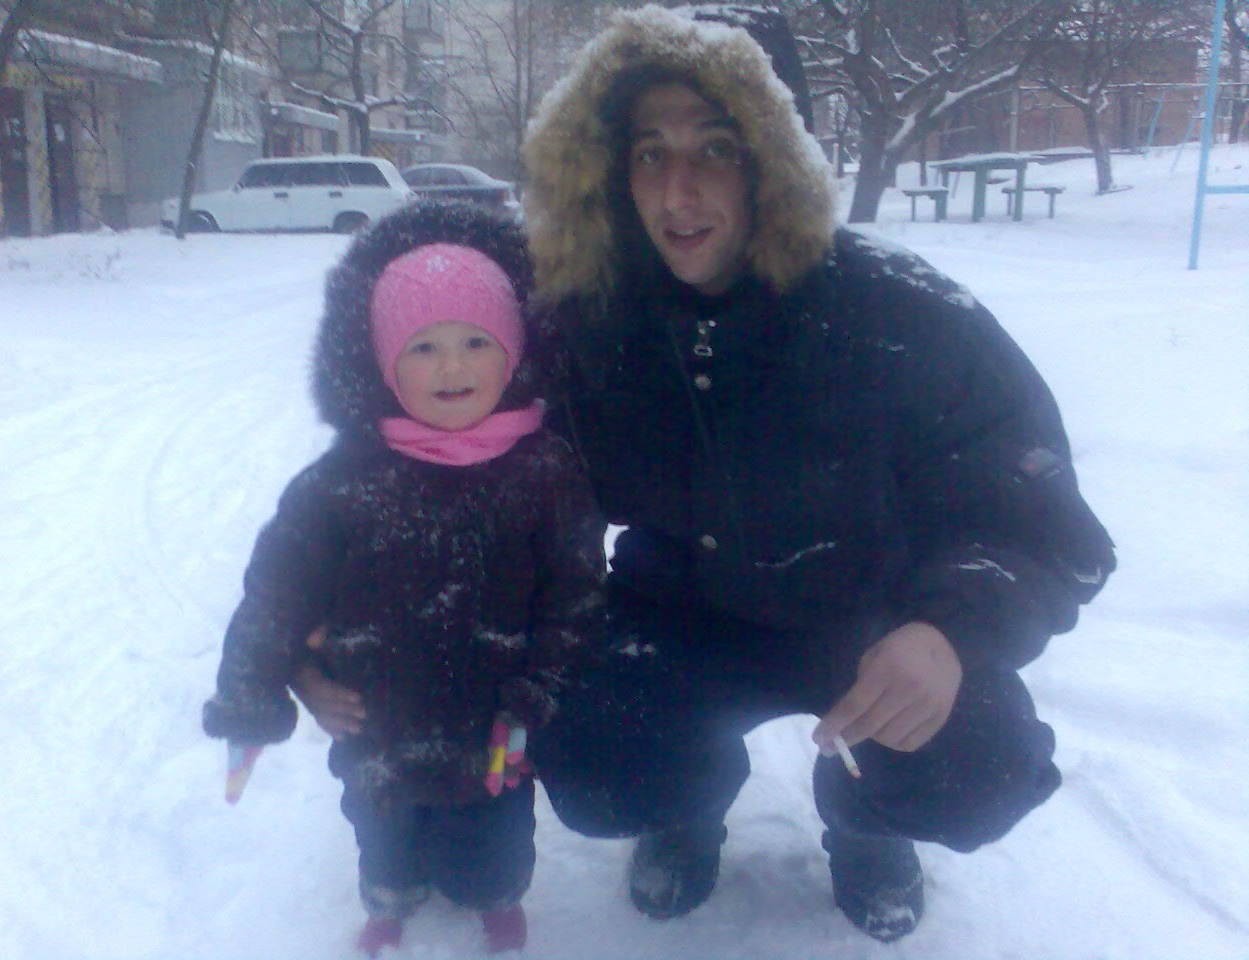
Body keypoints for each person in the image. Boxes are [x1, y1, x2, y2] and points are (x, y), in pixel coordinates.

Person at [296, 3, 1116, 945]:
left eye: (717, 148)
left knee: (979, 768)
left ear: (778, 158)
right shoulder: (588, 325)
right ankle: (684, 808)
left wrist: (947, 630)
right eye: (650, 153)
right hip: (677, 614)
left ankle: (868, 822)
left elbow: (1039, 522)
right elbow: (456, 464)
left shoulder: (901, 316)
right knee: (595, 757)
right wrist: (331, 610)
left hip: (871, 620)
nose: (677, 192)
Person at [201, 200, 606, 957]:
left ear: (514, 353)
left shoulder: (546, 473)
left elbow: (577, 595)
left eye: (475, 341)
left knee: (490, 843)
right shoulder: (343, 481)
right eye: (423, 348)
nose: (452, 367)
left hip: (492, 723)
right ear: (385, 363)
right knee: (381, 833)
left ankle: (494, 896)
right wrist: (252, 694)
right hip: (376, 722)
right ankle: (391, 898)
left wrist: (538, 690)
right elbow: (277, 591)